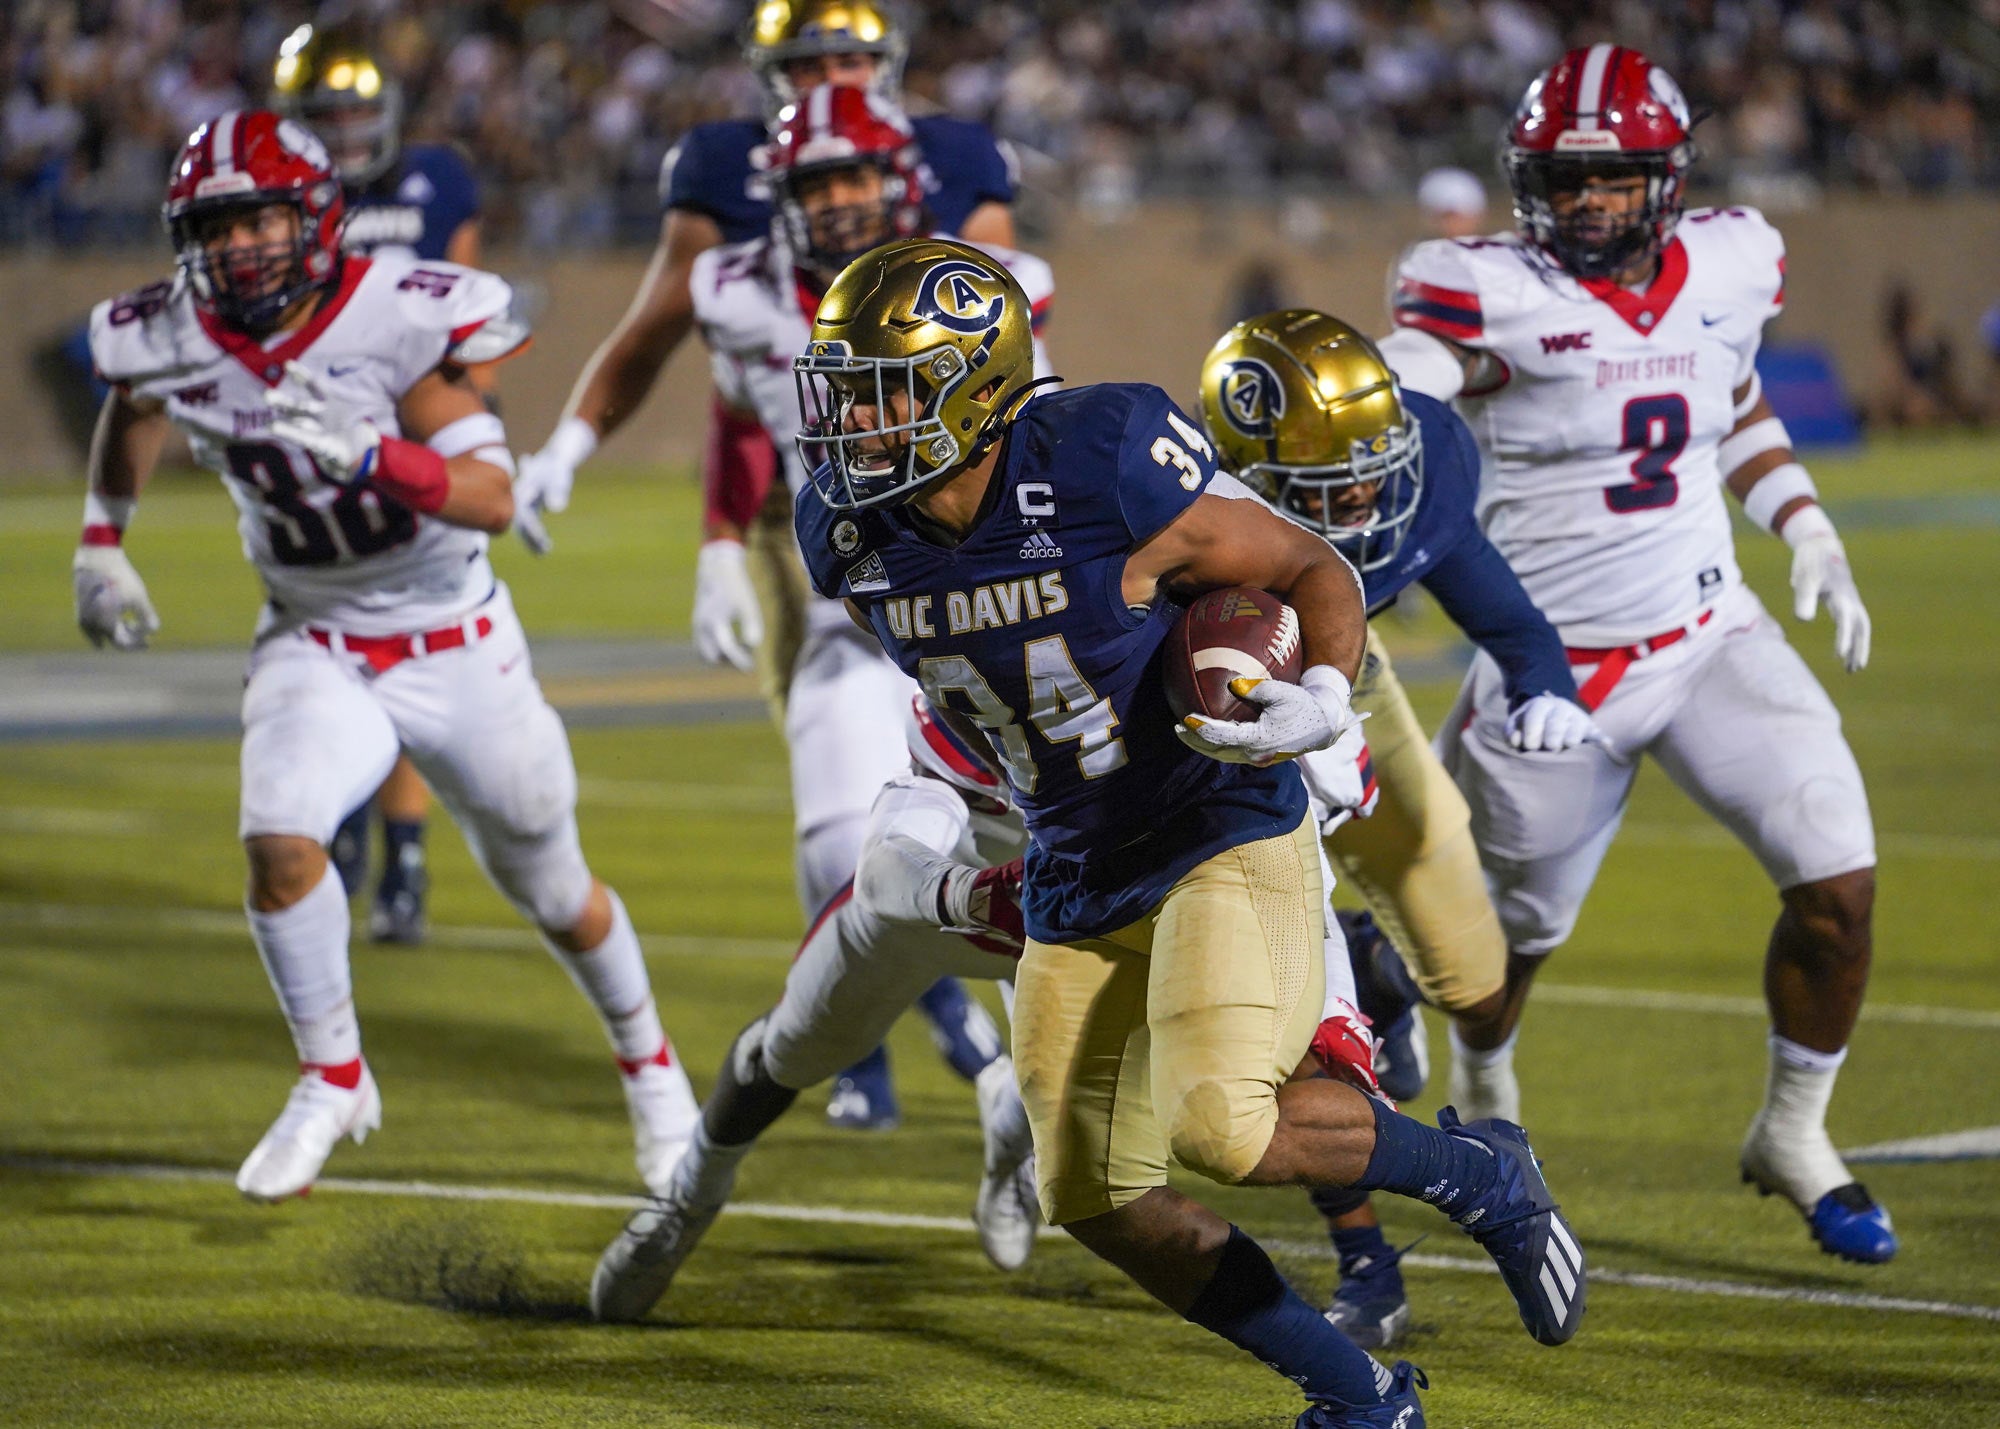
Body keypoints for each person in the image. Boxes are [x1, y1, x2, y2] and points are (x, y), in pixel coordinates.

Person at [781, 238, 1584, 1425]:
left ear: (979, 385)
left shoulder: (1098, 459)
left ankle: (1483, 1175)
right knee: (1096, 1196)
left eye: (886, 389)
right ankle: (1359, 1394)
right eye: (846, 390)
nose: (858, 420)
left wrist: (1316, 692)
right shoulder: (845, 532)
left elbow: (1306, 562)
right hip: (1070, 858)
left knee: (1221, 1121)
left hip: (1215, 821)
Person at [72, 110, 699, 1202]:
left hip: (454, 636)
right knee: (278, 842)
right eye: (215, 227)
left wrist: (375, 456)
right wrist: (100, 537)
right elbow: (134, 404)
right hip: (314, 634)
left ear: (313, 217)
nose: (239, 248)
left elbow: (492, 497)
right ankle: (332, 1074)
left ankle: (651, 1070)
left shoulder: (397, 317)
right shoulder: (164, 328)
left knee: (556, 888)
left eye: (260, 219)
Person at [1376, 44, 1893, 1264]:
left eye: (1615, 180)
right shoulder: (1476, 287)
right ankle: (1486, 1091)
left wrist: (1802, 521)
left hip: (1709, 630)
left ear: (1666, 178)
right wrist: (1400, 386)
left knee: (1837, 888)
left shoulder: (1732, 258)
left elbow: (1731, 397)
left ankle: (1792, 1131)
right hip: (1555, 673)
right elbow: (1421, 383)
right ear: (1525, 180)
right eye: (1566, 180)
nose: (1591, 203)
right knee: (1490, 965)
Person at [518, 0, 1017, 1132]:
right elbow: (735, 396)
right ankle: (878, 1043)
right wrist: (703, 533)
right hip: (833, 545)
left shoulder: (962, 200)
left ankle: (1022, 1042)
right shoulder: (735, 265)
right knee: (837, 811)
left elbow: (1018, 383)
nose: (830, 75)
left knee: (1016, 796)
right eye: (806, 62)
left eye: (848, 57)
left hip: (968, 547)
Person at [1198, 309, 1603, 1348]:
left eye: (1372, 466)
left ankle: (1383, 974)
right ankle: (1365, 1261)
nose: (1368, 494)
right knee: (1288, 1038)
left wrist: (1541, 677)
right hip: (1222, 734)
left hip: (1355, 695)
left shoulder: (1422, 461)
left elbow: (1482, 586)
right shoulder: (1183, 529)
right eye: (1336, 479)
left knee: (1470, 979)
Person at [591, 694, 1042, 1320]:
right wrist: (973, 894)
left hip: (1059, 935)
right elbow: (886, 866)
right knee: (788, 1051)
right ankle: (686, 1200)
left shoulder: (1148, 703)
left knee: (1071, 1092)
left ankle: (1009, 1155)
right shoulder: (975, 711)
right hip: (935, 917)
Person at [272, 21, 485, 945]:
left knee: (411, 657)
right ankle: (359, 831)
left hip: (417, 447)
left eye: (362, 110)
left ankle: (397, 851)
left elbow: (470, 317)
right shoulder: (274, 199)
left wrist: (471, 431)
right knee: (330, 654)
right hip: (315, 450)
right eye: (329, 114)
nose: (350, 130)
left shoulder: (437, 182)